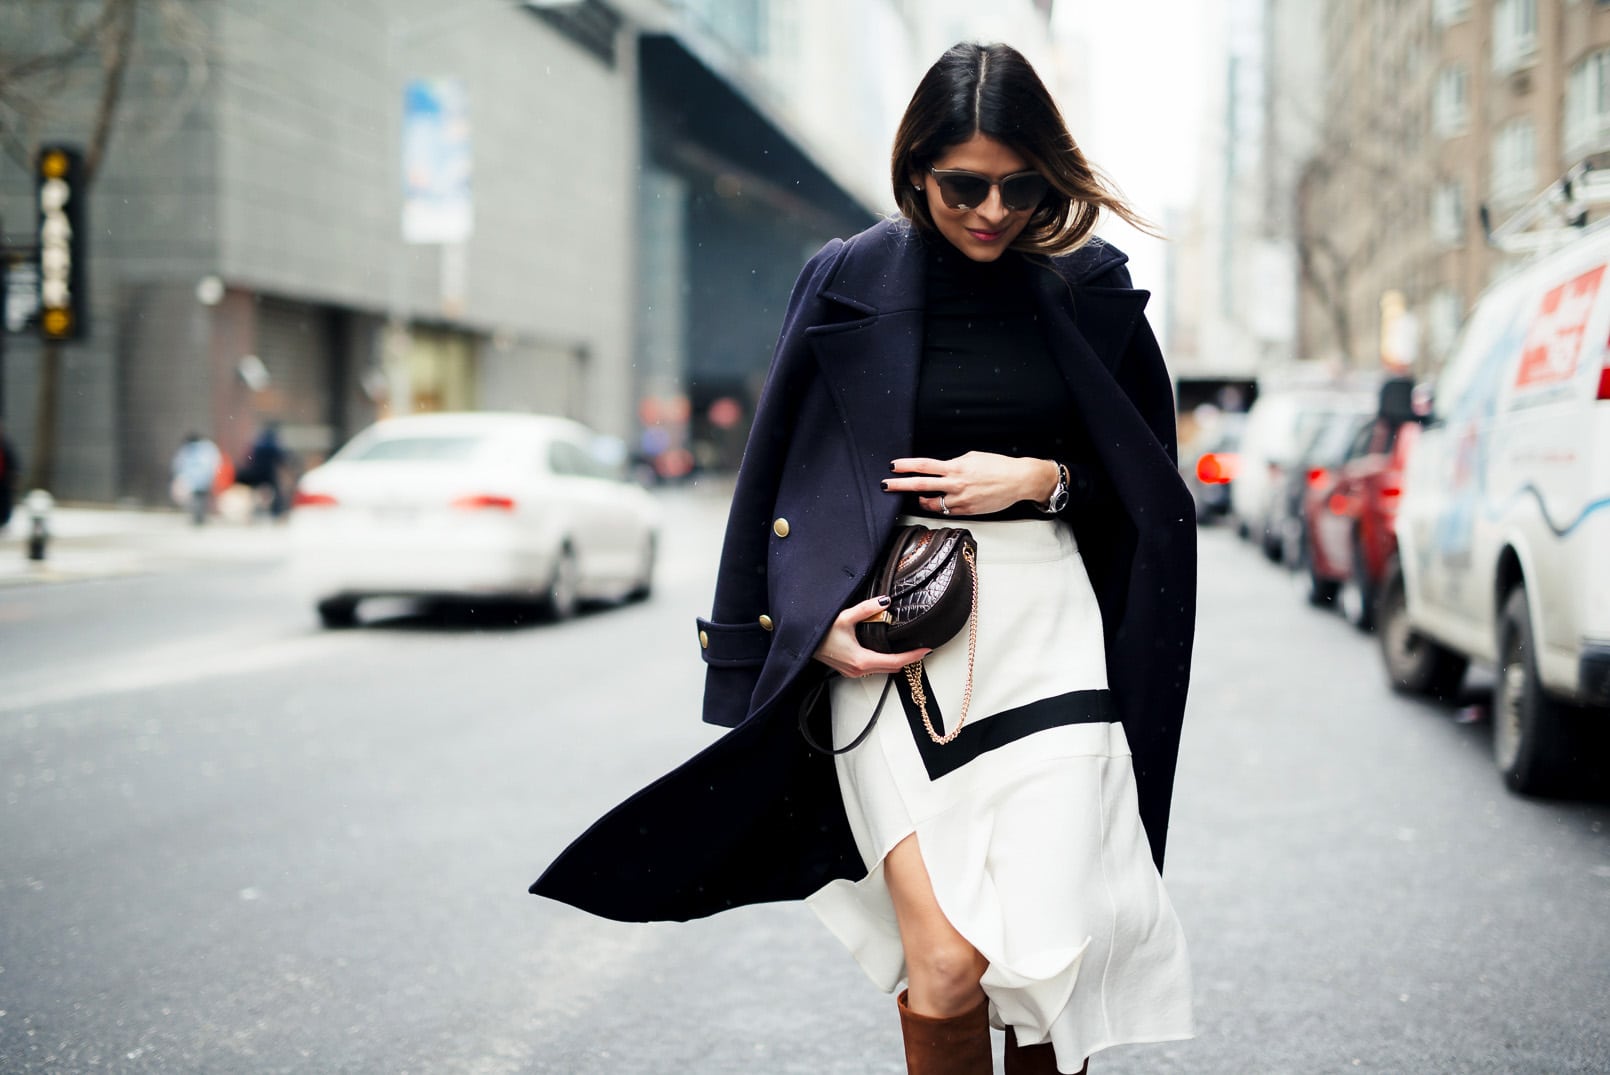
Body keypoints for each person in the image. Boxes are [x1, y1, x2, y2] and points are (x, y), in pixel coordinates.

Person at [532, 42, 1197, 1074]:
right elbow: (771, 479)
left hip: (1051, 641)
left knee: (1041, 965)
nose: (992, 210)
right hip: (891, 643)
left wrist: (1035, 480)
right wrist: (795, 637)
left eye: (1020, 186)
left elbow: (1154, 495)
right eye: (963, 185)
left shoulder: (1089, 287)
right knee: (942, 968)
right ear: (914, 168)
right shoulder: (846, 278)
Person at [237, 422, 289, 517]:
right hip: (268, 473)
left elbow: (249, 458)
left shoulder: (258, 445)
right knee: (276, 492)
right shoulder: (272, 445)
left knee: (254, 493)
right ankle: (277, 511)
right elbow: (281, 458)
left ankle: (253, 511)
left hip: (256, 472)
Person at [171, 433, 221, 526]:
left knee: (196, 500)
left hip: (192, 481)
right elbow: (214, 463)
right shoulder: (207, 448)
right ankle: (200, 518)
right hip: (203, 480)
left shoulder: (187, 450)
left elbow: (179, 464)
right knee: (201, 499)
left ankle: (198, 518)